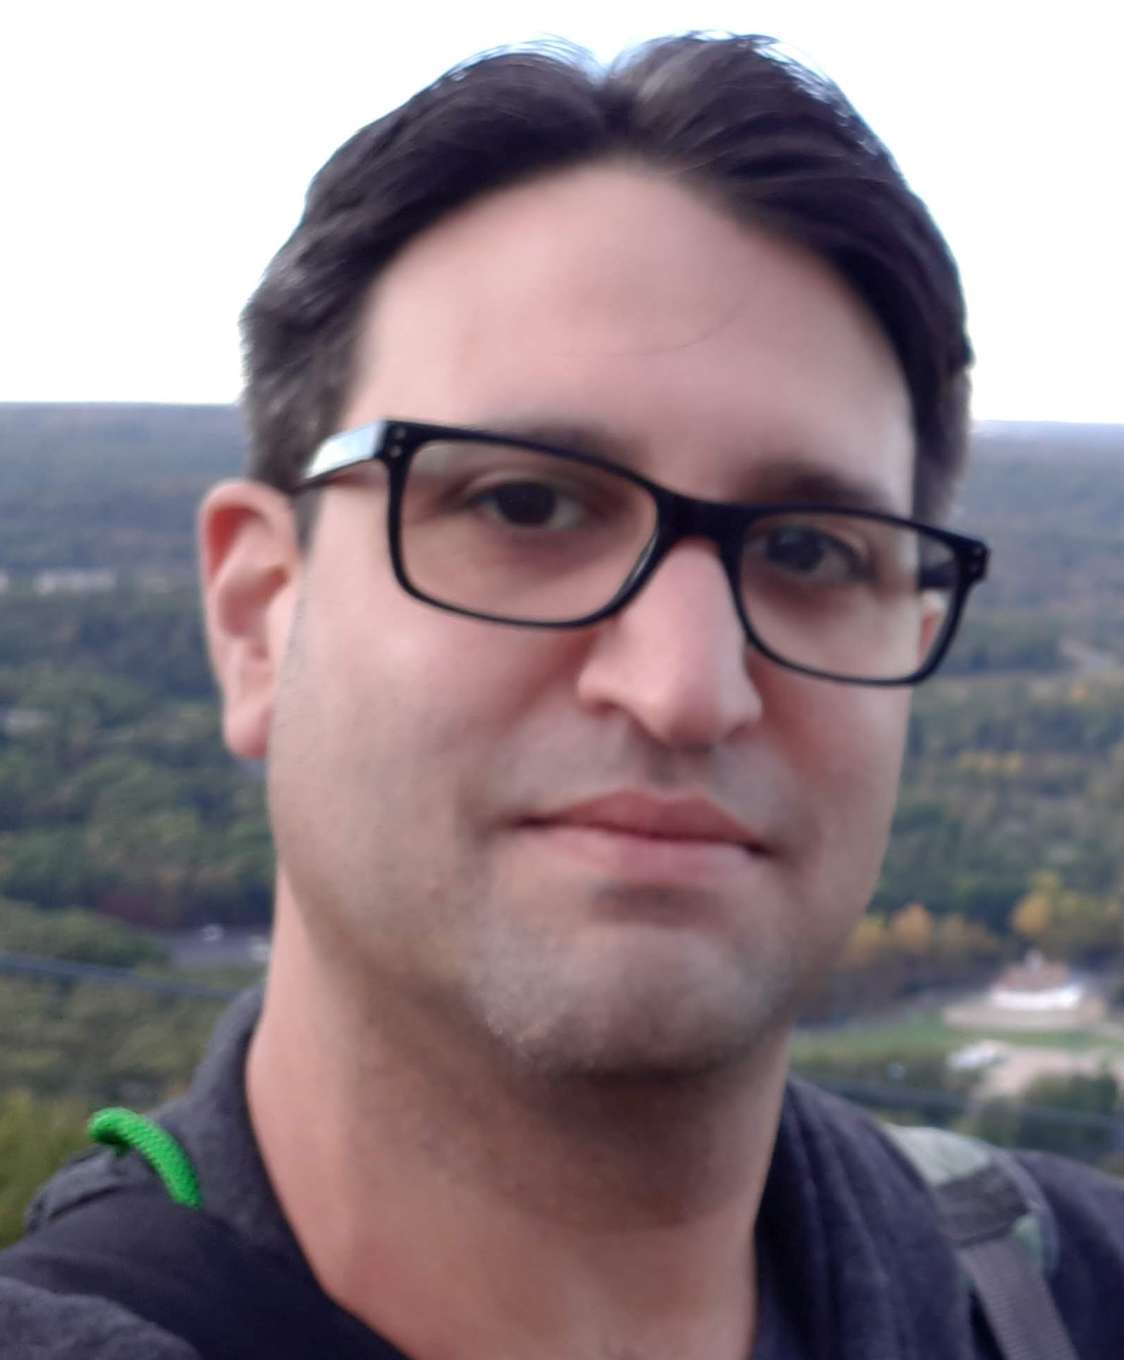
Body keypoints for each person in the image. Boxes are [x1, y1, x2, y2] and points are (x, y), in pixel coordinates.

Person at [3, 32, 1123, 1359]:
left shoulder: (1070, 1296)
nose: (685, 688)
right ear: (258, 616)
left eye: (813, 552)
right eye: (526, 505)